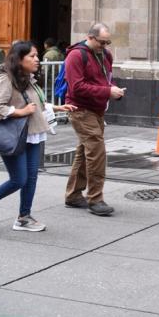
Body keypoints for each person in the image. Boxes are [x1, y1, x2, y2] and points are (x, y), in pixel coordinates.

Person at [0, 41, 76, 232]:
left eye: (37, 55)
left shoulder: (28, 79)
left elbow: (35, 103)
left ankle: (23, 218)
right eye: (32, 56)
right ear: (19, 59)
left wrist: (58, 107)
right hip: (14, 135)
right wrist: (20, 112)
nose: (37, 59)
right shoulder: (6, 79)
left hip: (33, 133)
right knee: (19, 179)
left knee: (31, 177)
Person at [63, 23, 125, 217]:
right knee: (97, 151)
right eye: (102, 42)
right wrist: (108, 91)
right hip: (80, 109)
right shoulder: (76, 55)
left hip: (97, 110)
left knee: (85, 152)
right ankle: (95, 199)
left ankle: (73, 195)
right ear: (90, 37)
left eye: (108, 42)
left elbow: (106, 79)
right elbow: (77, 87)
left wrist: (114, 90)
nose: (105, 46)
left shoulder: (105, 55)